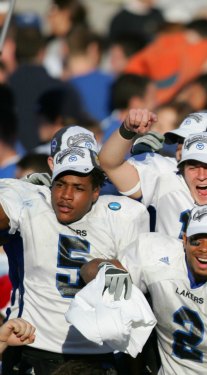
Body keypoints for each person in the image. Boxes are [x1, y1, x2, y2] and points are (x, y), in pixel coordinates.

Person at [0, 147, 149, 374]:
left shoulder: (122, 215)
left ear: (96, 191)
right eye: (60, 185)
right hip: (33, 344)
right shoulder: (30, 202)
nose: (66, 195)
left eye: (78, 188)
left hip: (96, 356)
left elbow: (122, 285)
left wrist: (103, 269)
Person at [81, 204, 207, 374]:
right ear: (184, 239)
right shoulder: (155, 254)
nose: (204, 249)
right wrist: (104, 270)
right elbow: (87, 272)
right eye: (197, 240)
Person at [99, 109, 207, 238]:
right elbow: (110, 164)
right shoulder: (164, 169)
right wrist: (127, 130)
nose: (181, 148)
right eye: (179, 141)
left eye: (192, 141)